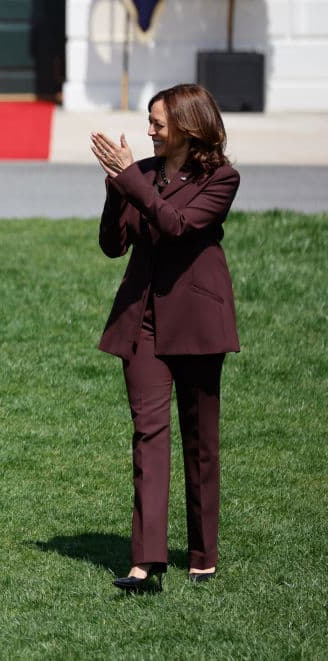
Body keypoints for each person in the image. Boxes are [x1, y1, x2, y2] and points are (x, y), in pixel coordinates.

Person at [90, 84, 240, 591]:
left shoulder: (221, 177)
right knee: (147, 433)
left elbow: (178, 226)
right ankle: (146, 562)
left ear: (188, 126)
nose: (150, 129)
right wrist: (117, 187)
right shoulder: (143, 175)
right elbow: (114, 245)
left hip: (197, 321)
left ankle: (203, 554)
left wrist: (132, 181)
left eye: (158, 122)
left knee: (201, 441)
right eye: (150, 121)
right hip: (144, 321)